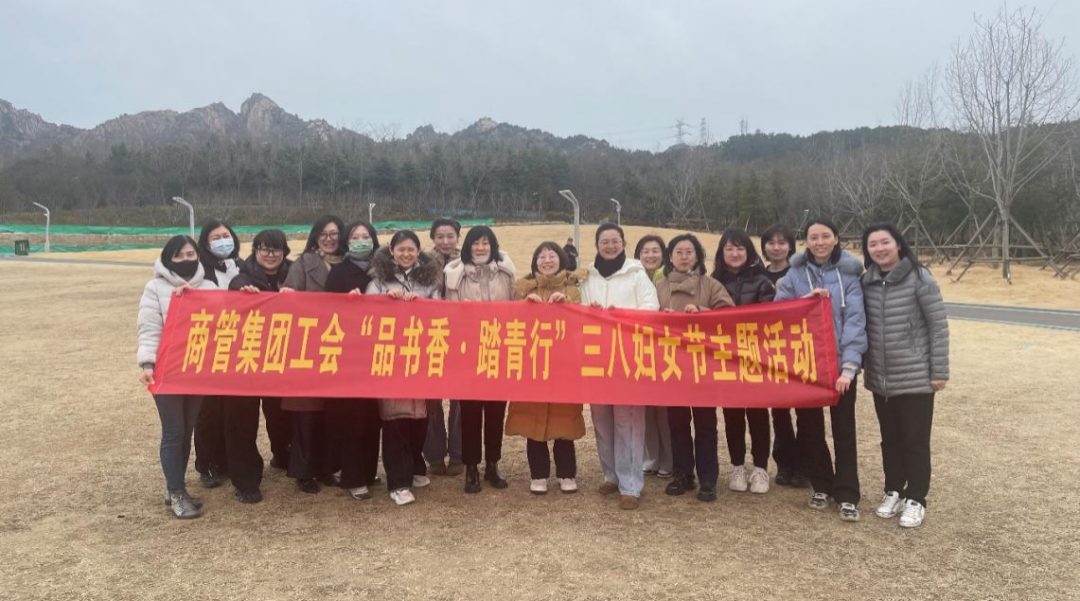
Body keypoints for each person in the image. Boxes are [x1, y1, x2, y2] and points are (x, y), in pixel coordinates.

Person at [775, 218, 868, 522]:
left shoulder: (850, 274)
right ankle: (821, 485)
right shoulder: (795, 273)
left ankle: (847, 493)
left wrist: (849, 368)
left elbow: (855, 321)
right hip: (806, 366)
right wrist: (804, 302)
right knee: (810, 429)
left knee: (844, 430)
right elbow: (779, 311)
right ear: (807, 242)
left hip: (839, 367)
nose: (820, 242)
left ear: (836, 238)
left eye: (825, 236)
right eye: (813, 237)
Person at [860, 223, 949, 529]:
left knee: (915, 440)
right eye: (873, 244)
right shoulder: (867, 281)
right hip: (881, 378)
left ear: (898, 244)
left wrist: (938, 371)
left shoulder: (920, 277)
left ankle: (916, 498)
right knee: (890, 440)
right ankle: (894, 490)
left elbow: (938, 326)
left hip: (916, 376)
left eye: (885, 242)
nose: (879, 249)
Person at [580, 223, 660, 510]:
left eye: (615, 241)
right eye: (605, 241)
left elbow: (651, 308)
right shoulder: (587, 277)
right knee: (601, 419)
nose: (610, 246)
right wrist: (591, 313)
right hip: (596, 358)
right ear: (597, 245)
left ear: (624, 244)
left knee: (628, 421)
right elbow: (579, 311)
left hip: (629, 358)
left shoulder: (636, 274)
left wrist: (622, 316)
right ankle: (611, 475)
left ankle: (631, 485)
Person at [137, 235, 216, 519]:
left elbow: (221, 325)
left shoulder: (209, 287)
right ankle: (176, 492)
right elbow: (149, 328)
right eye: (179, 255)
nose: (185, 260)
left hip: (197, 369)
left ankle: (176, 487)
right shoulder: (155, 288)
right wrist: (147, 363)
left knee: (187, 429)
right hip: (167, 369)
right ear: (168, 258)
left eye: (190, 254)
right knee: (173, 431)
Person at [365, 230, 442, 505]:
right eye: (401, 249)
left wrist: (421, 304)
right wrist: (386, 301)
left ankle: (415, 466)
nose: (406, 254)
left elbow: (441, 311)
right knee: (395, 418)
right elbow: (366, 314)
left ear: (418, 251)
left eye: (411, 249)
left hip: (421, 356)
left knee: (420, 416)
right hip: (391, 357)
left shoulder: (430, 278)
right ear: (392, 251)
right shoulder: (378, 280)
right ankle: (398, 482)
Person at [656, 234, 735, 502]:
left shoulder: (711, 285)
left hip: (703, 365)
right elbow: (644, 318)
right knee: (677, 423)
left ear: (697, 256)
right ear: (670, 257)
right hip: (672, 364)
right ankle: (682, 474)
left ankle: (708, 479)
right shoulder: (659, 287)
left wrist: (703, 311)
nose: (684, 256)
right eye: (678, 252)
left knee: (705, 424)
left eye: (689, 252)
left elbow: (730, 317)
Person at [505, 242, 588, 495]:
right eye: (541, 256)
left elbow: (581, 323)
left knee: (564, 420)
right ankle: (538, 474)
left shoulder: (573, 289)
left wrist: (567, 304)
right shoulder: (523, 288)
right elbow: (512, 325)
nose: (547, 260)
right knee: (533, 420)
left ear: (561, 260)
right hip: (532, 364)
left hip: (564, 365)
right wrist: (524, 306)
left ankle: (566, 473)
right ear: (535, 262)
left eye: (552, 256)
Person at [444, 225, 516, 493]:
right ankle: (471, 467)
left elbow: (516, 307)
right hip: (468, 354)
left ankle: (493, 465)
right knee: (470, 414)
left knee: (496, 412)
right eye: (475, 243)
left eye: (485, 243)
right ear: (467, 246)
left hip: (499, 351)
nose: (480, 247)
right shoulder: (455, 275)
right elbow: (448, 315)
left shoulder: (506, 272)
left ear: (493, 245)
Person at [280, 215, 346, 493]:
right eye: (323, 234)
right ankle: (304, 471)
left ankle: (327, 467)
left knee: (332, 416)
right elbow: (289, 298)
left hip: (340, 348)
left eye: (334, 233)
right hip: (307, 348)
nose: (329, 239)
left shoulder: (350, 264)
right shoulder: (303, 263)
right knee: (305, 414)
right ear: (315, 236)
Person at [712, 228, 777, 495]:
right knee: (732, 415)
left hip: (755, 358)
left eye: (740, 248)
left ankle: (760, 468)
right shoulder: (714, 281)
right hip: (726, 359)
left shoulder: (763, 282)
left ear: (749, 252)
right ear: (722, 253)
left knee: (758, 414)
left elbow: (773, 316)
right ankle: (737, 466)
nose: (735, 253)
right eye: (729, 248)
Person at [228, 229, 293, 478]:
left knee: (281, 413)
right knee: (245, 417)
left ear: (284, 252)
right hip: (250, 357)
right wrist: (242, 294)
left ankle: (283, 455)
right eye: (265, 249)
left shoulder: (293, 274)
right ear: (256, 250)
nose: (270, 254)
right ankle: (246, 476)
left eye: (276, 249)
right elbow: (232, 299)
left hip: (282, 356)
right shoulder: (243, 278)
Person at [325, 220, 382, 500]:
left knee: (373, 418)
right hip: (349, 357)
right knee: (352, 420)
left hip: (377, 354)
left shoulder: (384, 270)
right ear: (347, 242)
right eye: (355, 237)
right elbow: (327, 311)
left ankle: (369, 472)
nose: (361, 241)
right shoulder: (339, 272)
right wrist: (345, 303)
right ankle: (353, 476)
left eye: (365, 236)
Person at [192, 219, 245, 489]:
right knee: (208, 410)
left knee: (232, 410)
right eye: (216, 237)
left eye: (226, 235)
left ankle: (226, 460)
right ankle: (206, 463)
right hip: (209, 348)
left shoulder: (241, 266)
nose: (223, 240)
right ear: (205, 243)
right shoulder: (198, 271)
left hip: (239, 348)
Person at [759, 223, 807, 488]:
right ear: (764, 247)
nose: (776, 247)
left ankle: (804, 465)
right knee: (779, 411)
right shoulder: (758, 274)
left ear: (790, 246)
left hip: (797, 346)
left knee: (804, 410)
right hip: (769, 349)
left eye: (782, 242)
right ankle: (785, 463)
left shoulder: (801, 273)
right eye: (771, 242)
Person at [422, 218, 464, 477]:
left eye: (450, 236)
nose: (445, 241)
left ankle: (459, 454)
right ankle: (434, 455)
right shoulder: (423, 263)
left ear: (458, 237)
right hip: (431, 337)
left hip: (461, 338)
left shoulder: (468, 261)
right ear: (433, 238)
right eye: (440, 236)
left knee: (460, 400)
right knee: (430, 400)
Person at [633, 234, 673, 479]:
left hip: (665, 352)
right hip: (639, 351)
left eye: (655, 250)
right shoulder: (633, 277)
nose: (650, 255)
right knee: (646, 409)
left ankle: (669, 459)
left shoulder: (669, 278)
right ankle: (651, 458)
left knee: (664, 410)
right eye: (645, 251)